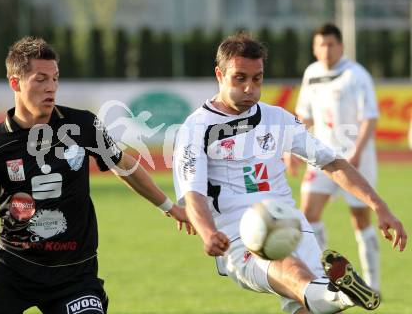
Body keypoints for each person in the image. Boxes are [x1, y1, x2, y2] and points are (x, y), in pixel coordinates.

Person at [172, 33, 407, 314]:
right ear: (219, 75)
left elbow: (332, 162)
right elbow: (193, 192)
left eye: (257, 79)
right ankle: (342, 295)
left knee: (307, 305)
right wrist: (208, 232)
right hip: (238, 235)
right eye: (240, 78)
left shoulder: (278, 118)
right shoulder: (197, 128)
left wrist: (379, 206)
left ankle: (335, 295)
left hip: (293, 225)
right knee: (297, 274)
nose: (249, 88)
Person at [0, 36, 191, 314]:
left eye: (55, 78)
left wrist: (169, 206)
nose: (51, 87)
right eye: (40, 79)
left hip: (74, 275)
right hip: (12, 270)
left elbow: (122, 164)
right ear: (15, 83)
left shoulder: (81, 125)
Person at [287, 23, 381, 291]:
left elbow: (370, 117)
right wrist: (291, 150)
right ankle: (327, 275)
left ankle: (372, 284)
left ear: (340, 46)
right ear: (314, 49)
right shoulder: (312, 74)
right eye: (321, 44)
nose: (326, 50)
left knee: (360, 219)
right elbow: (303, 115)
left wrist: (358, 152)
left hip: (354, 161)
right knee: (308, 213)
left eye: (331, 44)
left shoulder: (356, 75)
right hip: (321, 158)